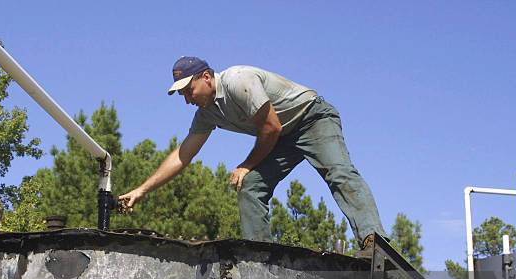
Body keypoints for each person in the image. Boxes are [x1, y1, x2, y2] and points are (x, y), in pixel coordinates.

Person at [119, 56, 386, 255]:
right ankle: (260, 258)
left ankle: (374, 242)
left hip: (311, 119)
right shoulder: (206, 113)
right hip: (280, 137)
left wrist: (246, 164)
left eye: (189, 90)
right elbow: (182, 155)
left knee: (338, 172)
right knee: (250, 186)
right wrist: (142, 190)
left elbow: (271, 128)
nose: (187, 99)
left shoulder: (238, 81)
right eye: (182, 95)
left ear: (207, 77)